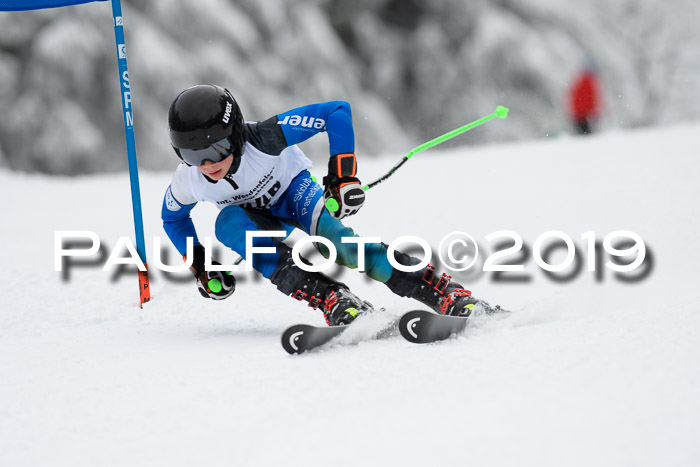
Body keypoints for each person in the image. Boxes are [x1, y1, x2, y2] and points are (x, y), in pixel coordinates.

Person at [161, 84, 488, 325]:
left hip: (295, 196)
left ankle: (440, 291)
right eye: (192, 157)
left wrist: (342, 177)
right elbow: (173, 219)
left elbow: (336, 111)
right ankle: (331, 296)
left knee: (342, 247)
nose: (207, 165)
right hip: (256, 221)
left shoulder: (265, 138)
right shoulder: (189, 179)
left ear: (234, 135)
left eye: (216, 150)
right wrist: (202, 267)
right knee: (228, 224)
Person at [568, 65, 601, 135]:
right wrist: (593, 112)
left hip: (579, 114)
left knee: (580, 135)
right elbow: (591, 100)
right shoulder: (589, 83)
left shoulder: (579, 82)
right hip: (585, 115)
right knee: (586, 135)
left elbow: (574, 98)